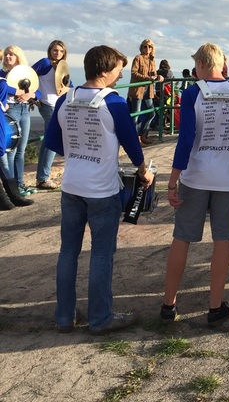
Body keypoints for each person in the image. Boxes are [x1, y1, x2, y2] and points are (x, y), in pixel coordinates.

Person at [44, 45, 150, 334]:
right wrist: (144, 172)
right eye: (118, 69)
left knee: (68, 251)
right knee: (102, 253)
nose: (120, 75)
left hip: (72, 185)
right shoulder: (114, 103)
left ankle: (64, 316)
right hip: (101, 189)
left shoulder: (67, 99)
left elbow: (52, 141)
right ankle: (100, 317)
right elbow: (131, 144)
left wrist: (79, 153)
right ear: (104, 71)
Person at [161, 43, 229, 326]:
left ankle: (169, 305)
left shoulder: (193, 93)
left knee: (182, 238)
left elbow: (186, 138)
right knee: (222, 240)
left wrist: (172, 181)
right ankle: (215, 307)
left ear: (202, 64)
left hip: (196, 176)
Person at [33, 39, 72, 189]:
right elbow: (28, 76)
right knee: (53, 136)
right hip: (46, 104)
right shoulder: (44, 63)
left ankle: (41, 178)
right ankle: (43, 178)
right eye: (55, 50)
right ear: (50, 50)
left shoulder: (63, 67)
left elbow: (70, 86)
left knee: (48, 141)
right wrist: (34, 95)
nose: (58, 53)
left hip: (57, 105)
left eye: (61, 51)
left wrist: (65, 89)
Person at [1, 45, 39, 197]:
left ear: (18, 57)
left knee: (21, 151)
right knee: (11, 150)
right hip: (11, 111)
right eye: (6, 54)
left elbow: (38, 91)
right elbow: (2, 86)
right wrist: (17, 91)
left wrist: (31, 95)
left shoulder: (26, 74)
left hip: (24, 111)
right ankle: (13, 189)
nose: (8, 57)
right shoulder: (2, 74)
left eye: (12, 54)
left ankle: (20, 184)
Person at [128, 39, 164, 144]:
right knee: (136, 115)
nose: (147, 49)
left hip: (149, 90)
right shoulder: (137, 58)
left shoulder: (152, 60)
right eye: (145, 46)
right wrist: (148, 78)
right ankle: (134, 139)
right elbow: (134, 73)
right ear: (141, 47)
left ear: (152, 48)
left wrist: (158, 76)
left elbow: (154, 74)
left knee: (151, 113)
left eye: (150, 47)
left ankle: (142, 134)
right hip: (138, 90)